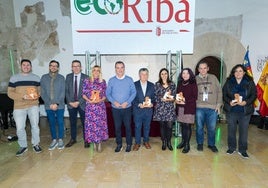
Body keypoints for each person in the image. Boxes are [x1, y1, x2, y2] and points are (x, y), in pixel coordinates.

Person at [7, 59, 42, 156]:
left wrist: (37, 95)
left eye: (28, 65)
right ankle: (23, 146)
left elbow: (39, 90)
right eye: (24, 65)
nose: (26, 67)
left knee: (35, 126)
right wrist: (22, 97)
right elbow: (10, 92)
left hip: (33, 105)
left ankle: (36, 144)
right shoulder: (14, 78)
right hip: (19, 106)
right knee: (20, 128)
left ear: (31, 67)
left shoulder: (36, 78)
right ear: (21, 66)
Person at [222, 64, 257, 158]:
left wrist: (246, 102)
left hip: (245, 111)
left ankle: (242, 150)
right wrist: (229, 102)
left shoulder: (249, 82)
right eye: (236, 71)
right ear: (233, 73)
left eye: (240, 71)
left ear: (244, 72)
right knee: (231, 130)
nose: (238, 73)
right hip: (231, 110)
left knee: (243, 131)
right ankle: (231, 148)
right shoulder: (229, 81)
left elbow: (254, 95)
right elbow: (224, 94)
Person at [106, 61, 136, 152]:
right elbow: (108, 94)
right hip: (116, 109)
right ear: (115, 69)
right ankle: (119, 144)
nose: (120, 70)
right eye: (118, 68)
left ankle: (129, 144)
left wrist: (127, 102)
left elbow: (134, 92)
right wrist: (113, 102)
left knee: (128, 127)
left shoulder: (129, 79)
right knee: (117, 127)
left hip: (127, 108)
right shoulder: (111, 80)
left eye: (121, 67)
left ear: (124, 68)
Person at [195, 61, 222, 153]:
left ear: (208, 68)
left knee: (212, 127)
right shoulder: (195, 79)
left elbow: (219, 91)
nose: (203, 70)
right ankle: (200, 143)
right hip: (199, 107)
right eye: (201, 68)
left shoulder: (213, 78)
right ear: (198, 69)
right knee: (199, 127)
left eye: (204, 68)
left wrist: (218, 104)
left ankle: (211, 144)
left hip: (212, 107)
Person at [82, 65, 109, 152]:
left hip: (100, 107)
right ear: (92, 71)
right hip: (90, 107)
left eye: (98, 70)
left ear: (100, 72)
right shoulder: (87, 81)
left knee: (100, 125)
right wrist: (89, 100)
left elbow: (105, 95)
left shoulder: (103, 82)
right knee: (91, 126)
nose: (96, 72)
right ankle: (93, 143)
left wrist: (100, 100)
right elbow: (83, 94)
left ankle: (99, 143)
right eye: (94, 70)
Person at [40, 60, 65, 150]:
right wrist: (50, 103)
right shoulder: (44, 77)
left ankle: (61, 139)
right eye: (52, 65)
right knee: (51, 122)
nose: (53, 67)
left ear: (58, 68)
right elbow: (42, 92)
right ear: (49, 67)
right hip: (48, 105)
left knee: (60, 122)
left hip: (60, 105)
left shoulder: (61, 78)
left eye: (55, 66)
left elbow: (63, 92)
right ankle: (54, 139)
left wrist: (57, 103)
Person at [65, 60, 89, 148]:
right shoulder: (68, 77)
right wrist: (70, 102)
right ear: (71, 68)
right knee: (72, 122)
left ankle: (86, 140)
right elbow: (66, 91)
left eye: (78, 66)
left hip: (82, 103)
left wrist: (79, 102)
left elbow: (87, 92)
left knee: (84, 123)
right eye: (74, 66)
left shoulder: (86, 77)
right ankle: (73, 139)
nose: (76, 68)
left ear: (81, 67)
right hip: (71, 104)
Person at [153, 68, 176, 151]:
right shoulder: (157, 84)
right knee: (162, 126)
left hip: (169, 108)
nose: (164, 75)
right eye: (162, 73)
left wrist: (170, 99)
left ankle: (169, 142)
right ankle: (164, 142)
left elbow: (174, 97)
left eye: (165, 73)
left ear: (168, 74)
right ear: (160, 75)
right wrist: (161, 99)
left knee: (169, 126)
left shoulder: (172, 84)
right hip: (160, 108)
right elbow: (155, 96)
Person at [132, 68, 155, 151]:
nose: (144, 76)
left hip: (148, 111)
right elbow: (132, 98)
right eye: (142, 74)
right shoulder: (134, 85)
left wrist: (152, 104)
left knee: (147, 127)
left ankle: (146, 141)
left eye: (146, 74)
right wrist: (139, 104)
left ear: (148, 75)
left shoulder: (152, 85)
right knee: (137, 127)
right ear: (139, 75)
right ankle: (137, 143)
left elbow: (154, 98)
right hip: (138, 110)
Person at [175, 68, 197, 153]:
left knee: (187, 126)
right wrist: (176, 100)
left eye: (187, 73)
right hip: (180, 108)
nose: (185, 75)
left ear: (190, 74)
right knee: (182, 125)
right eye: (183, 73)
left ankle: (187, 144)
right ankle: (183, 142)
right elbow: (177, 94)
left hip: (189, 108)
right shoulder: (180, 83)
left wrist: (185, 100)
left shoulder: (193, 83)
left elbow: (195, 97)